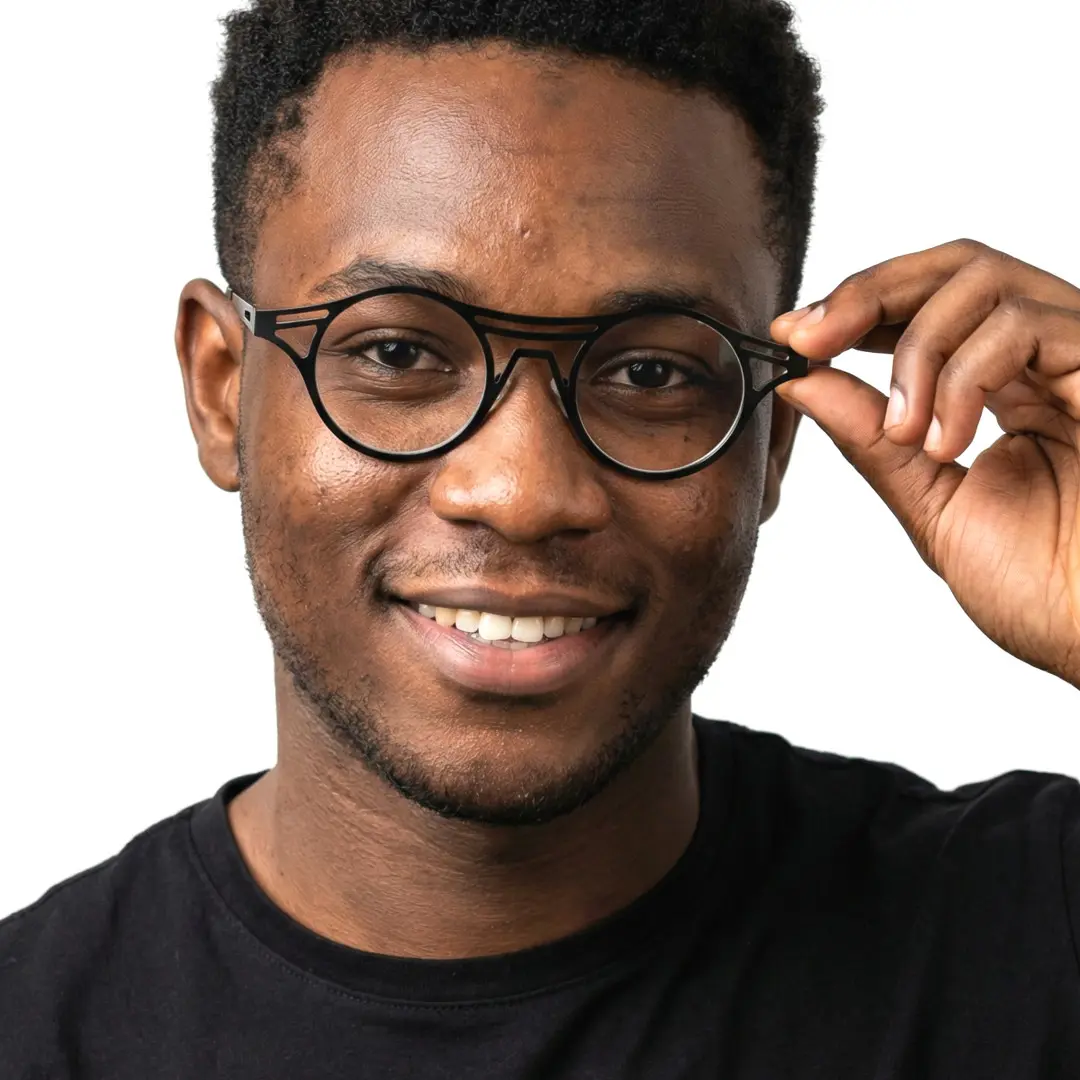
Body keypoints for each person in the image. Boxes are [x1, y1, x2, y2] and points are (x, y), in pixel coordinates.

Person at [2, 0, 1078, 1075]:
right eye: (394, 354)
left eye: (650, 372)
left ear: (774, 443)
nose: (521, 492)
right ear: (222, 389)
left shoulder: (1037, 940)